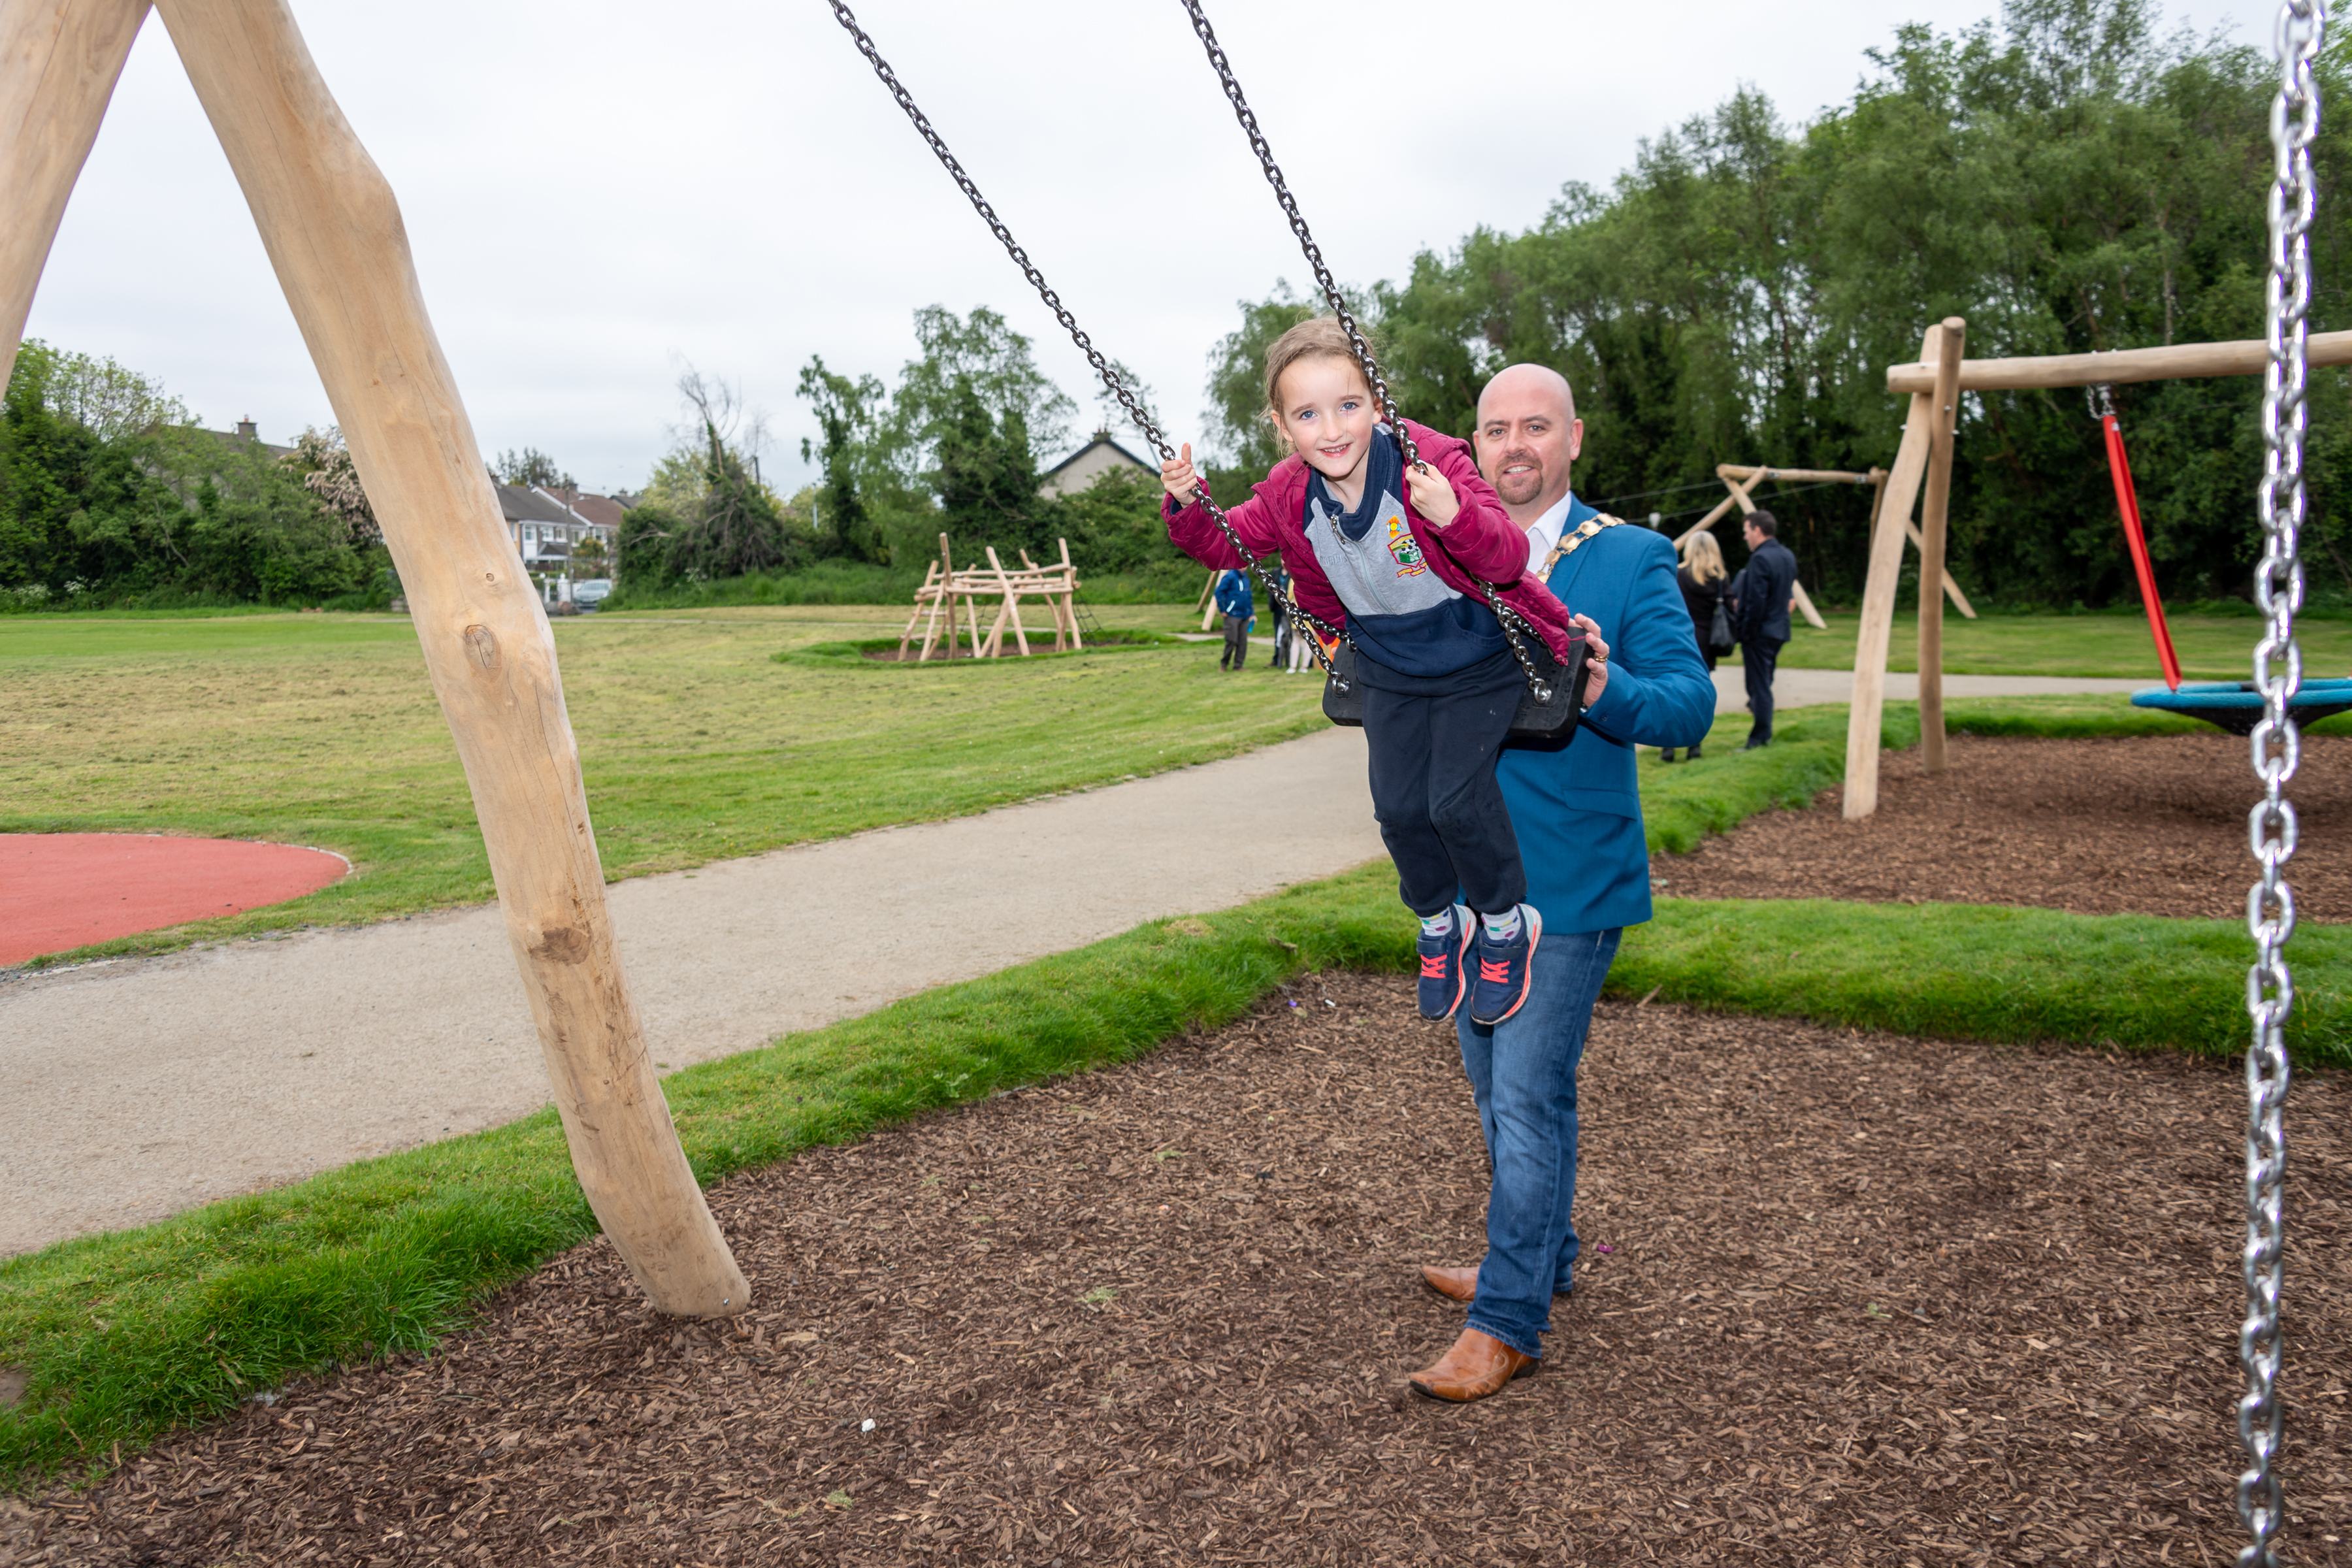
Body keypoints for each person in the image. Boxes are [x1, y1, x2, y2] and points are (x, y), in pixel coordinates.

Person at [1407, 363, 1715, 1405]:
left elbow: (1685, 708)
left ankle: (1508, 1318)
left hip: (1568, 884)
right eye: (1495, 429)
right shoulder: (1444, 556)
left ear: (1574, 438)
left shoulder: (1628, 558)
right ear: (1475, 444)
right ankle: (1543, 1252)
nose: (1513, 446)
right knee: (1497, 1093)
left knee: (1529, 1098)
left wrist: (1599, 681)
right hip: (1468, 883)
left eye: (1535, 427)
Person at [1160, 318, 1593, 1028]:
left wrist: (1453, 515)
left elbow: (1507, 557)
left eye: (1349, 406)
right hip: (1389, 663)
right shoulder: (1287, 495)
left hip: (1478, 655)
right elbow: (1224, 544)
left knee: (1455, 802)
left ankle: (1506, 925)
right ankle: (1436, 922)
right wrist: (1185, 500)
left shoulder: (1429, 461)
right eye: (1307, 414)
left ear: (1376, 401)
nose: (1331, 430)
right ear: (1282, 425)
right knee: (1397, 809)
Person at [1731, 510, 1797, 749]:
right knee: (1763, 683)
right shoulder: (1787, 555)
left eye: (1747, 532)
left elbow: (1755, 601)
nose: (1745, 537)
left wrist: (1745, 631)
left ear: (1757, 530)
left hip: (1760, 632)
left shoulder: (1760, 558)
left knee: (1758, 687)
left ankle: (1760, 737)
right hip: (1779, 630)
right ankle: (1763, 730)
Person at [1662, 531, 1731, 762]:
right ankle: (1695, 745)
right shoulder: (1720, 578)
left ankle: (1668, 746)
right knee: (1699, 692)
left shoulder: (1679, 575)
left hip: (1681, 637)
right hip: (1707, 640)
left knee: (1671, 690)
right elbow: (1731, 609)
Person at [1214, 568, 1252, 671]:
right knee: (1232, 640)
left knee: (1243, 642)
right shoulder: (1230, 576)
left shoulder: (1245, 577)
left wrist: (1251, 613)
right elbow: (1218, 592)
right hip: (1232, 614)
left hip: (1244, 614)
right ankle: (1224, 664)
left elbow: (1248, 597)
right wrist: (1223, 609)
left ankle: (1238, 665)